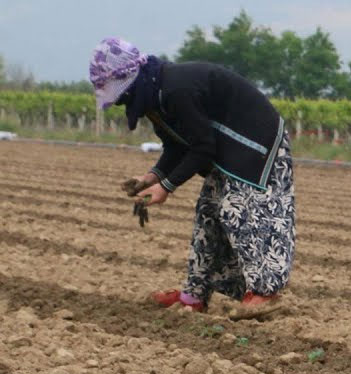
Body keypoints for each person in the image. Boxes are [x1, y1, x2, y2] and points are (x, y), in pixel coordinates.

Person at [89, 37, 295, 319]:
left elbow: (202, 147)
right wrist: (152, 177)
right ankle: (193, 297)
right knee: (208, 211)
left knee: (238, 207)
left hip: (257, 142)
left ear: (127, 79)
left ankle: (265, 292)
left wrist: (167, 187)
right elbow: (178, 144)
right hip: (226, 147)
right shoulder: (156, 95)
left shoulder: (174, 90)